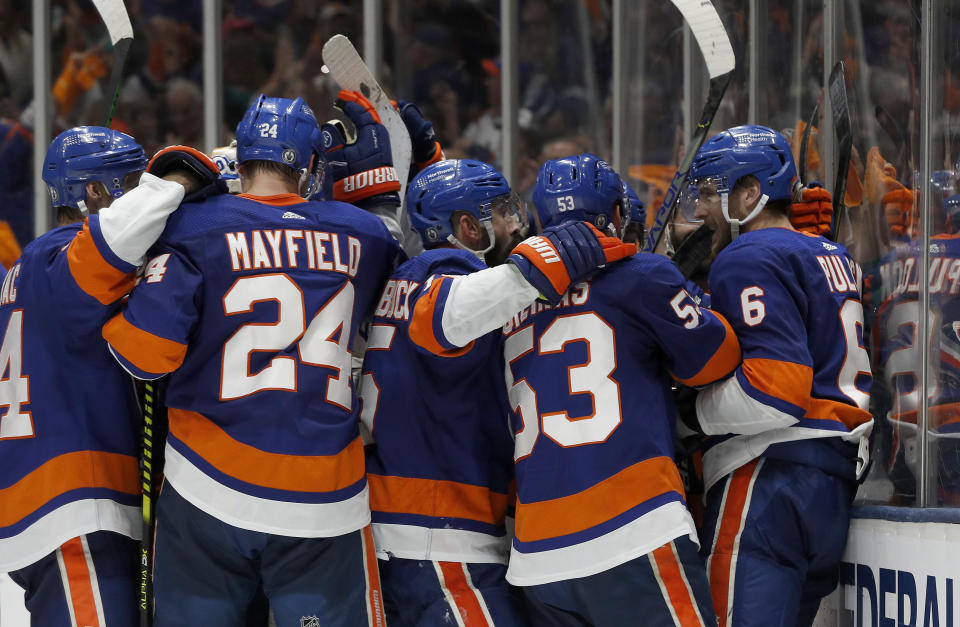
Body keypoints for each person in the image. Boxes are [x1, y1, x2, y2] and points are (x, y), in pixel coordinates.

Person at [102, 94, 401, 626]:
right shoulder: (362, 233)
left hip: (207, 486)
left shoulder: (192, 227)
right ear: (310, 166)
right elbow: (393, 247)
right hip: (323, 492)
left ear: (238, 161)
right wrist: (381, 186)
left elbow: (143, 357)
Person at [501, 154, 741, 625]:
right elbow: (717, 360)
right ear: (615, 216)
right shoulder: (644, 276)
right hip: (631, 530)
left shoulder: (509, 302)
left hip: (537, 554)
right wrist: (693, 302)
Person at [0, 126, 213, 625]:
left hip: (52, 500)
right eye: (131, 181)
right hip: (73, 504)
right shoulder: (63, 261)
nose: (142, 191)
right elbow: (117, 235)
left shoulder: (34, 266)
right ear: (94, 192)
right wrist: (183, 177)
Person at [688, 125, 873, 626]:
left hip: (769, 477)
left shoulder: (746, 256)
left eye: (711, 193)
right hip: (832, 480)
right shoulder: (836, 256)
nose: (702, 210)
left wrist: (693, 411)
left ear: (751, 193)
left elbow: (776, 393)